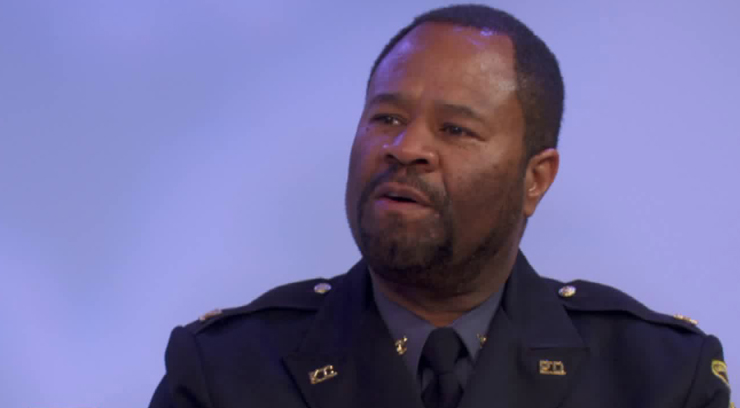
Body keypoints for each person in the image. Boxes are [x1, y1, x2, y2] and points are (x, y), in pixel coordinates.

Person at [149, 4, 732, 408]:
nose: (405, 148)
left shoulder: (660, 379)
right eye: (387, 118)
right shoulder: (225, 370)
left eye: (455, 129)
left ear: (536, 179)